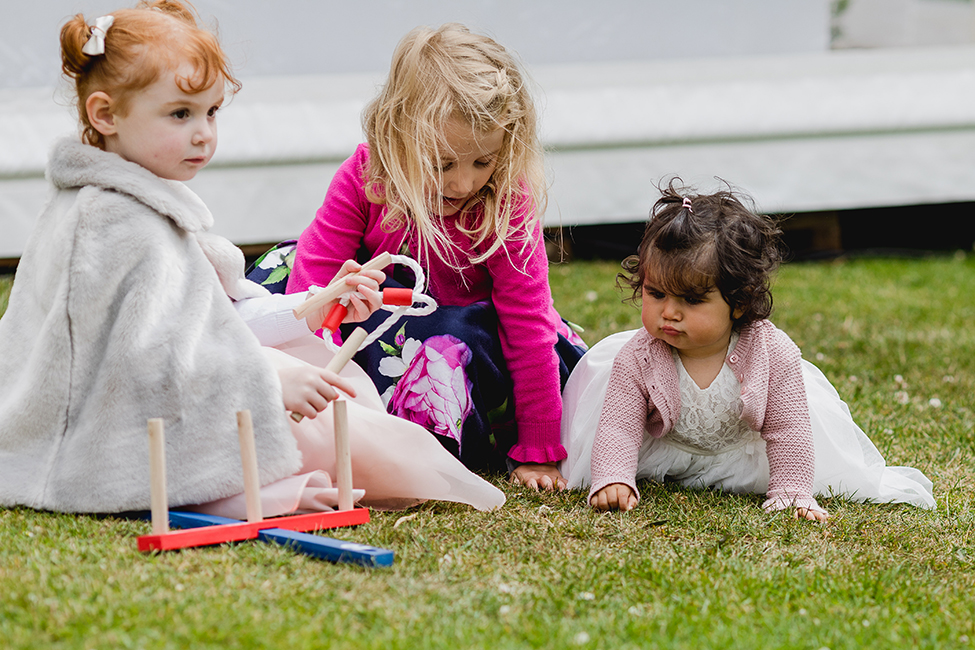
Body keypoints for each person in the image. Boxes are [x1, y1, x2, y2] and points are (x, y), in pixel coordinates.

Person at [0, 1, 503, 517]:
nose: (204, 133)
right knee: (306, 397)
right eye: (180, 113)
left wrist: (316, 303)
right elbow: (140, 364)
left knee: (318, 374)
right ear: (105, 115)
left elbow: (213, 318)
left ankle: (280, 484)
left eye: (211, 112)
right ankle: (267, 493)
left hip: (159, 398)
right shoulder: (112, 225)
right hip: (95, 440)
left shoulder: (140, 205)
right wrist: (267, 381)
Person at [285, 24, 586, 489]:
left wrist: (539, 449)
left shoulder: (504, 199)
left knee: (443, 341)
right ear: (396, 134)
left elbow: (527, 325)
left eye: (482, 162)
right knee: (281, 269)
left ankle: (422, 440)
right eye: (441, 164)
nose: (463, 184)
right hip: (376, 321)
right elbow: (311, 280)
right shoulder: (367, 176)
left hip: (467, 344)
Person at [560, 181, 935, 516]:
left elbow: (788, 428)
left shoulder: (771, 353)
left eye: (691, 299)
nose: (669, 312)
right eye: (656, 294)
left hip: (742, 454)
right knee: (613, 441)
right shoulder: (640, 355)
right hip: (666, 447)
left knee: (801, 449)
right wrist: (613, 478)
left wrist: (792, 490)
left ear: (738, 303)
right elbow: (619, 426)